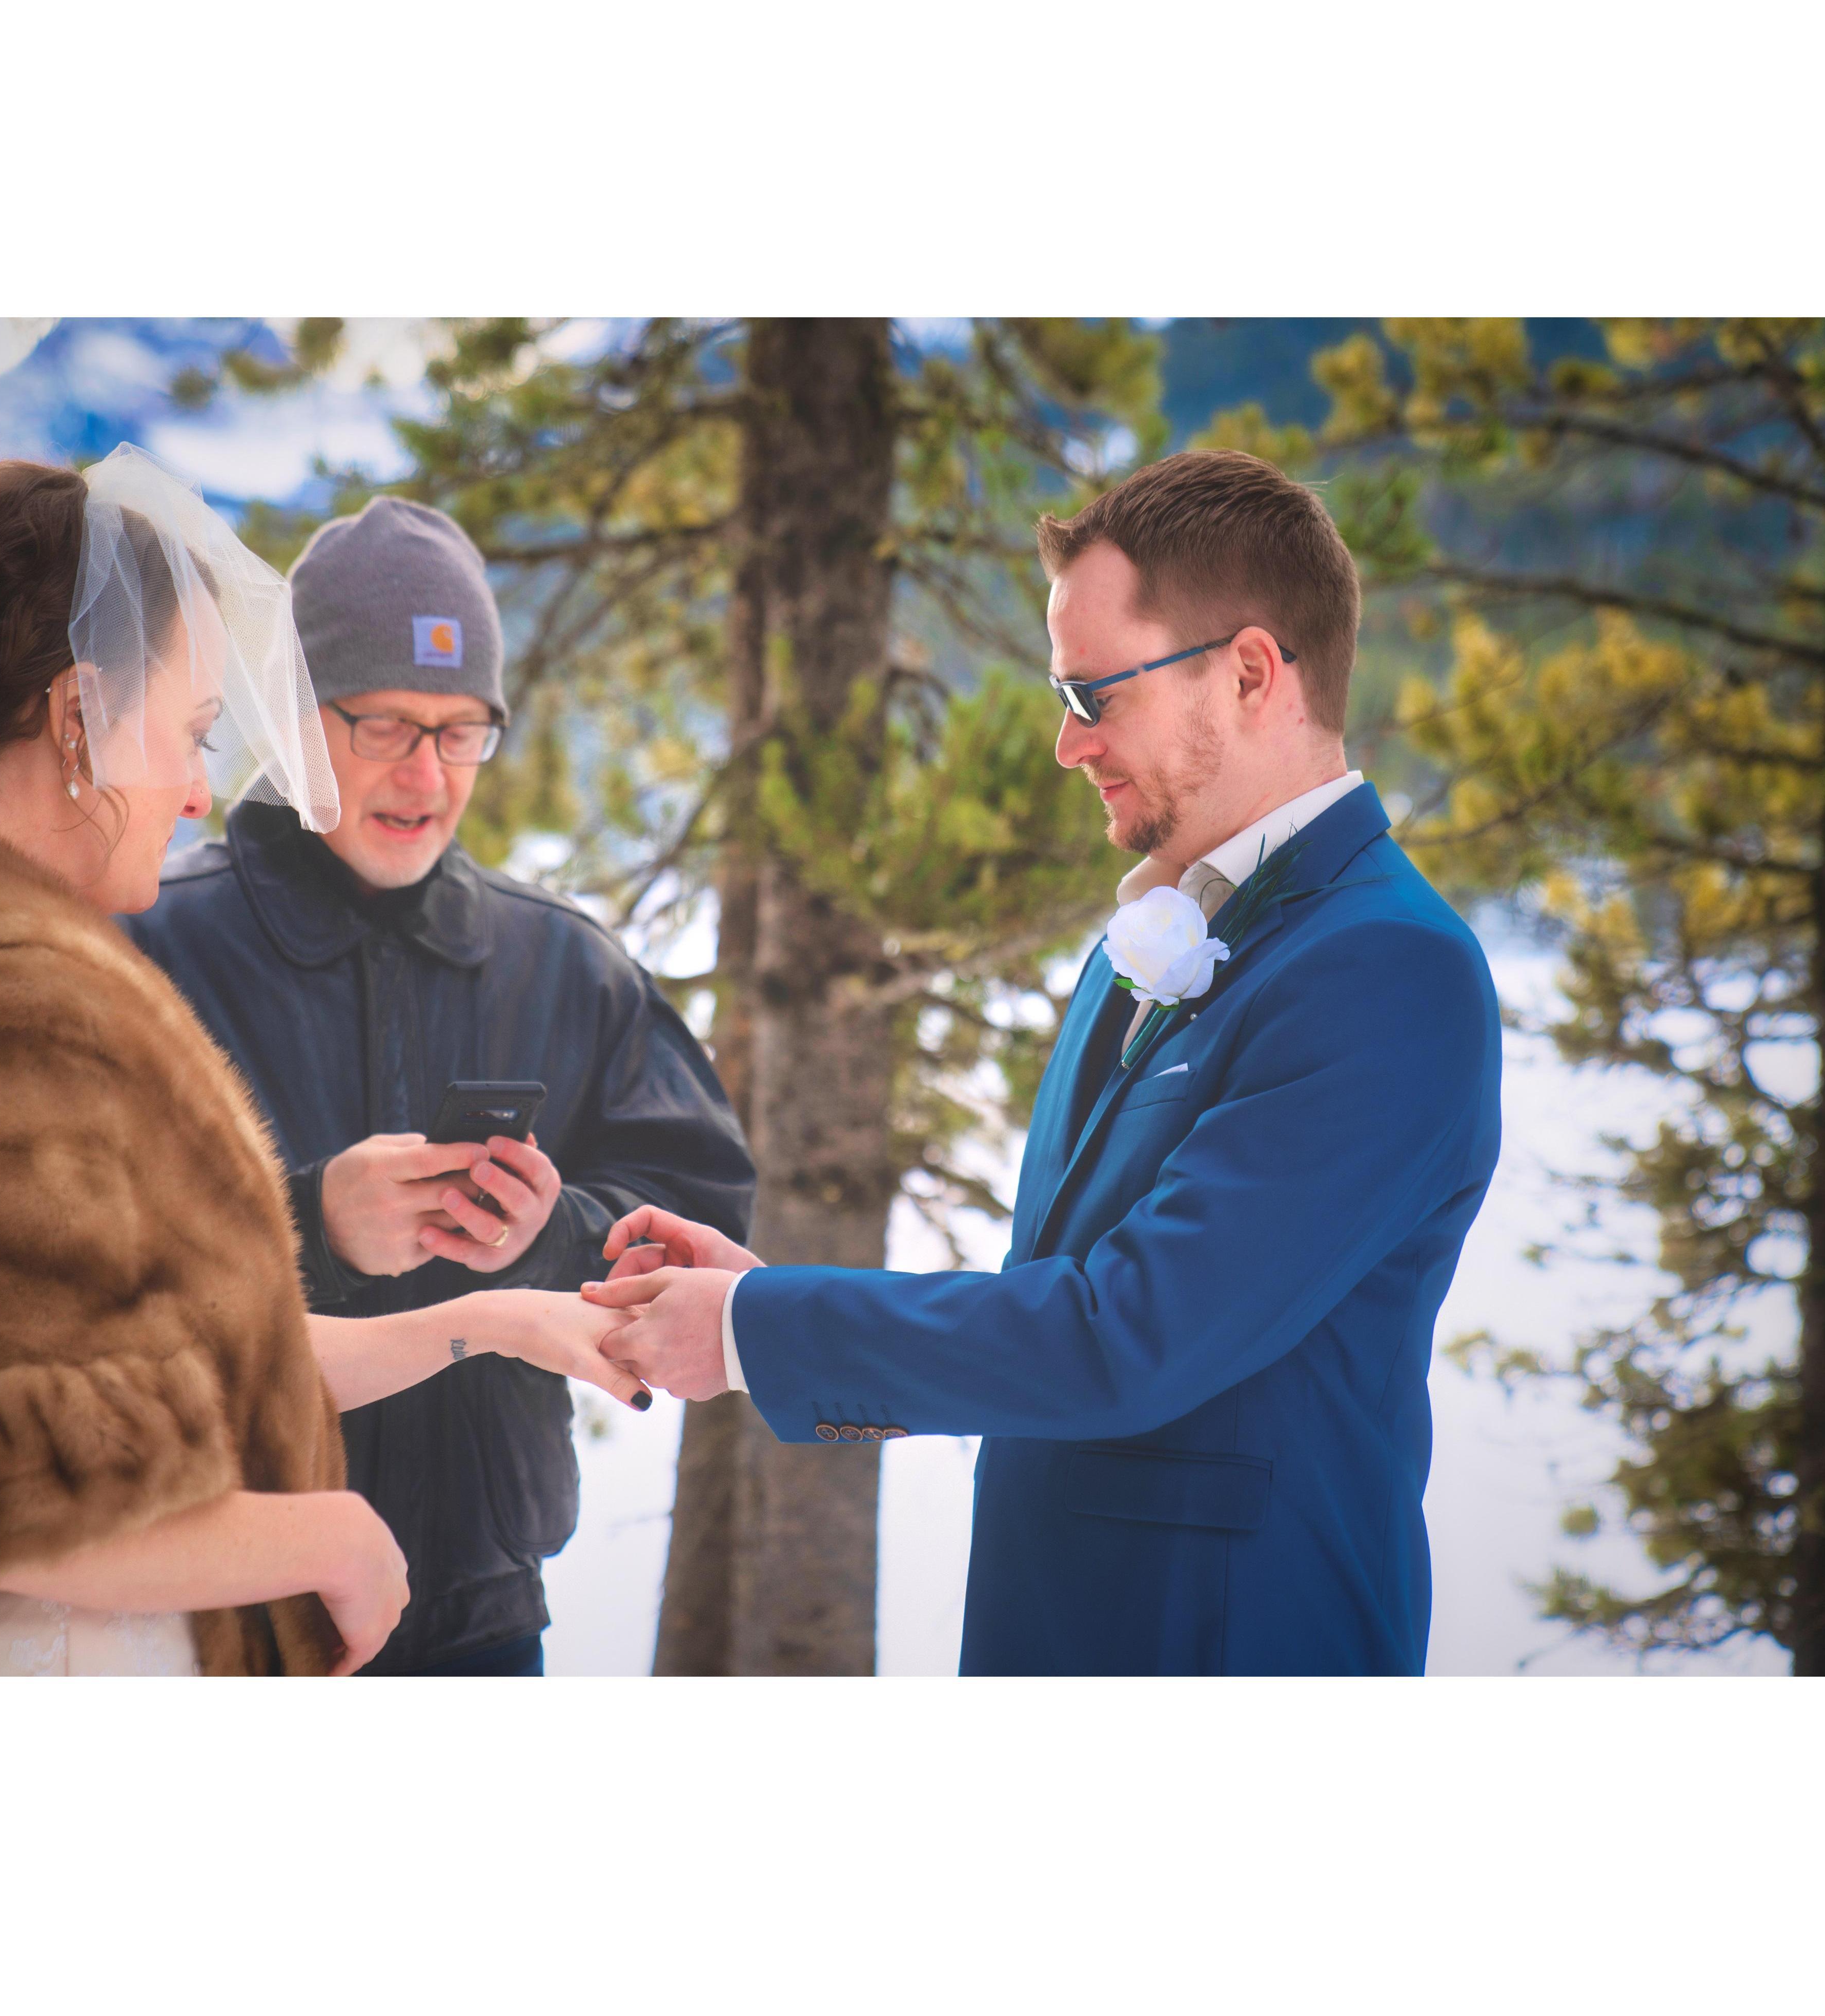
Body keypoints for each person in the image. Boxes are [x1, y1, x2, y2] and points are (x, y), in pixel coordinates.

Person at [586, 449, 1505, 1677]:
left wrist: (759, 1330)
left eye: (1092, 695)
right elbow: (1061, 1301)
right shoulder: (1150, 935)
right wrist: (764, 1293)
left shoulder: (1387, 968)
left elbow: (1127, 1334)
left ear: (1247, 673)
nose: (1067, 745)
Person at [0, 453, 640, 1678]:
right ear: (79, 716)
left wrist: (487, 1319)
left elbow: (152, 1362)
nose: (202, 792)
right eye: (194, 733)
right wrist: (325, 1537)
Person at [123, 496, 754, 1677]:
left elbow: (704, 1218)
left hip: (484, 1610)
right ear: (295, 715)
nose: (426, 774)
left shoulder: (563, 958)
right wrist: (310, 1224)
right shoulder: (156, 945)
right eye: (386, 726)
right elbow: (81, 1280)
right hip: (215, 1605)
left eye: (462, 732)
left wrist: (545, 1233)